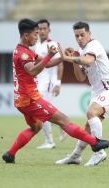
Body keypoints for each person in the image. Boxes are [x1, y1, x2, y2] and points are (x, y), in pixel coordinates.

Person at [2, 18, 109, 164]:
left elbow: (48, 63)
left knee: (36, 127)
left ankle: (10, 153)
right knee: (63, 120)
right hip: (30, 99)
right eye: (35, 34)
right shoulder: (23, 54)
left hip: (21, 100)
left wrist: (62, 57)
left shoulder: (24, 51)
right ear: (25, 35)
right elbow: (32, 71)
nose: (37, 37)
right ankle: (95, 143)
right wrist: (49, 55)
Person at [55, 21, 109, 166]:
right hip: (97, 91)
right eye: (76, 36)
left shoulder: (94, 45)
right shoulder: (81, 51)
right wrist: (73, 59)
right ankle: (75, 156)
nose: (79, 38)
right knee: (88, 127)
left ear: (89, 34)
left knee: (91, 113)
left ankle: (99, 152)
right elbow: (80, 77)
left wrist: (68, 58)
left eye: (82, 35)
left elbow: (89, 61)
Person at [35, 19, 66, 149]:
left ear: (49, 30)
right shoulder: (37, 45)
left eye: (44, 28)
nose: (42, 31)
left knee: (42, 110)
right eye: (40, 29)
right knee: (45, 110)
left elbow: (60, 63)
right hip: (39, 82)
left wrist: (58, 83)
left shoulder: (52, 44)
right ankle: (62, 125)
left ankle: (50, 141)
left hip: (49, 82)